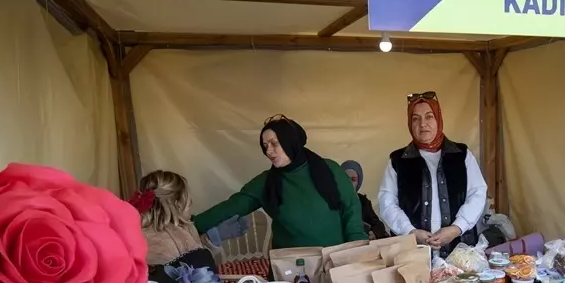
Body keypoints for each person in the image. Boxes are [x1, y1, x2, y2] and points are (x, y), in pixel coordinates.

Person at [193, 116, 366, 249]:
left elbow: (351, 210)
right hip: (290, 270)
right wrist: (188, 226)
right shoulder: (267, 183)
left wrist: (356, 250)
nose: (269, 151)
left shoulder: (330, 169)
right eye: (265, 145)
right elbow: (230, 207)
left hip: (333, 263)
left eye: (274, 144)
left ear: (291, 141)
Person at [378, 91, 488, 255]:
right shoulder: (398, 160)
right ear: (409, 123)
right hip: (412, 252)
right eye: (416, 118)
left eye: (429, 116)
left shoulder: (461, 154)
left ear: (438, 119)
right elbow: (387, 201)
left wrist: (457, 228)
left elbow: (477, 193)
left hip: (459, 250)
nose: (423, 124)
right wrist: (410, 232)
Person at [341, 160, 389, 240]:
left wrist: (375, 233)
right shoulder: (333, 201)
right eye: (345, 179)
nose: (349, 183)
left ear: (358, 182)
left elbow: (378, 224)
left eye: (353, 179)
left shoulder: (363, 202)